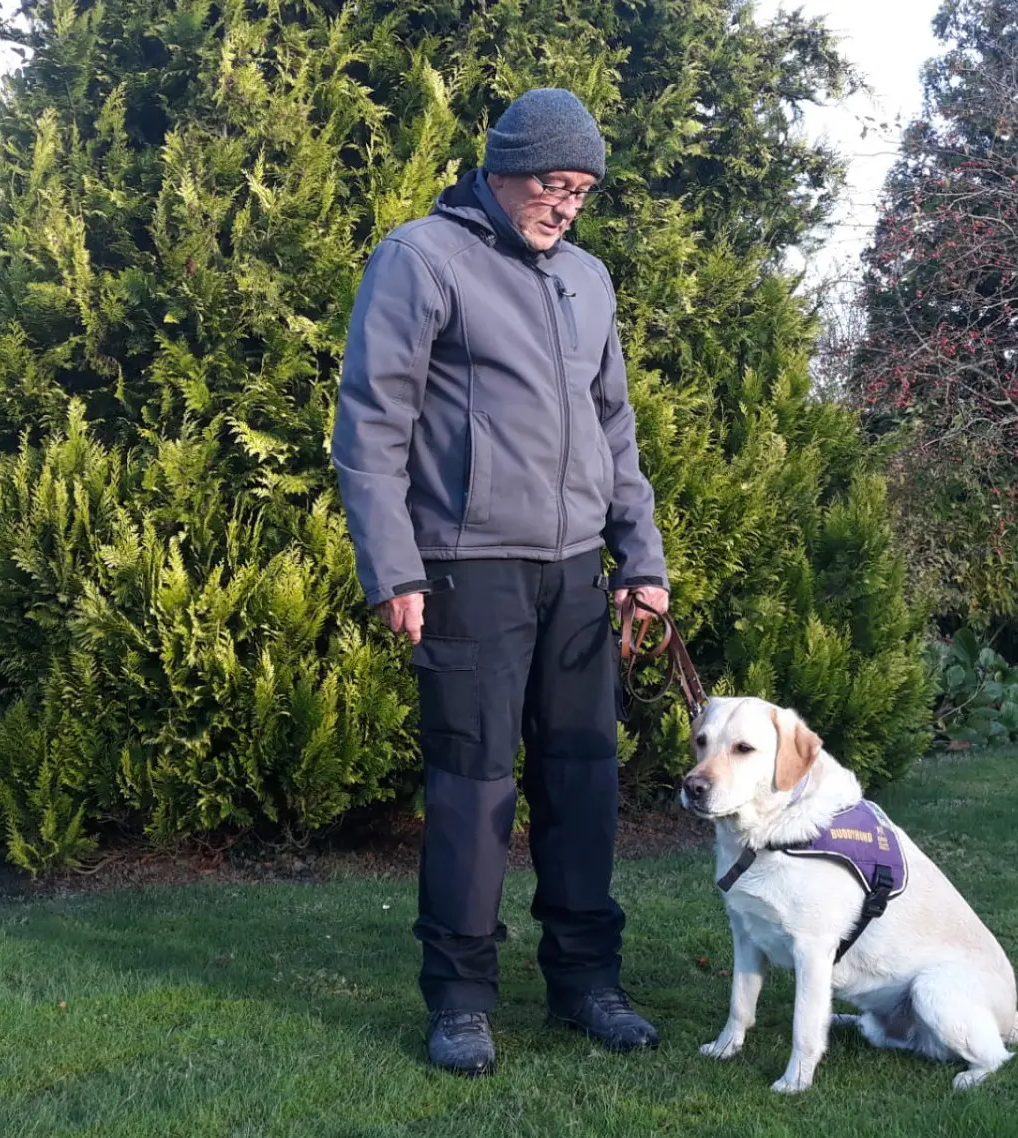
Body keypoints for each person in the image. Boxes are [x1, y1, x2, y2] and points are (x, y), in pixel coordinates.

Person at [330, 88, 670, 1077]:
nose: (565, 205)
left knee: (583, 780)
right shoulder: (421, 259)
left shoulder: (589, 281)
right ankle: (462, 996)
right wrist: (392, 565)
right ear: (501, 168)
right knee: (474, 789)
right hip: (464, 569)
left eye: (581, 191)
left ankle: (587, 981)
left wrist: (640, 559)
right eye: (552, 184)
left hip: (575, 575)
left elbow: (616, 430)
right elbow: (372, 425)